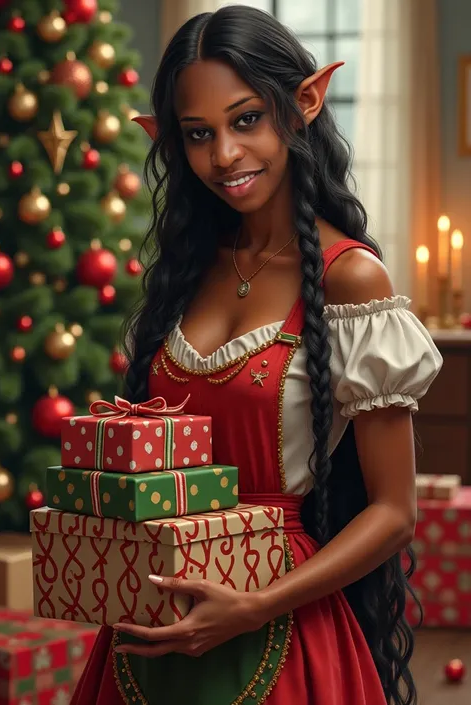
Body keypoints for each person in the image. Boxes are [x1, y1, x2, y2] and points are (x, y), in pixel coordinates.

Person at [71, 6, 442, 705]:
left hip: (285, 629)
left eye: (246, 120)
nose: (225, 156)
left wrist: (254, 605)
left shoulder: (348, 278)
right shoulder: (186, 271)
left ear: (300, 106)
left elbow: (395, 511)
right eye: (199, 134)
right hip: (150, 625)